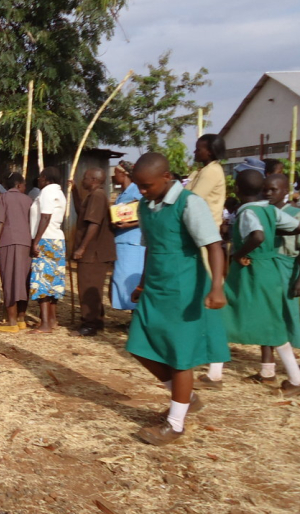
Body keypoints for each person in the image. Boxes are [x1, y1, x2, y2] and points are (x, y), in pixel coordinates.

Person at [126, 153, 229, 445]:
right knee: (139, 345)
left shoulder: (189, 203)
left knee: (180, 356)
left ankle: (175, 424)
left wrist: (217, 287)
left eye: (147, 186)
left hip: (185, 288)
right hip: (157, 286)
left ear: (167, 177)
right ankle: (187, 397)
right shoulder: (145, 207)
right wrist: (143, 283)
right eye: (138, 186)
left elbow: (213, 246)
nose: (142, 191)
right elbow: (150, 247)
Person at [199, 170, 300, 395]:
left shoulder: (247, 211)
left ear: (236, 190)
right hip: (270, 269)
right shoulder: (270, 210)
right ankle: (216, 373)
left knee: (225, 315)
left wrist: (239, 254)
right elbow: (298, 228)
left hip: (251, 269)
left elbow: (257, 236)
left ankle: (296, 378)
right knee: (269, 322)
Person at [245, 174, 300, 385]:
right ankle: (267, 369)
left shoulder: (297, 214)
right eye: (265, 189)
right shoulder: (263, 212)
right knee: (267, 317)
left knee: (291, 318)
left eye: (274, 190)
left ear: (285, 191)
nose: (268, 193)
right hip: (266, 268)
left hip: (287, 268)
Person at [69, 167, 117, 336]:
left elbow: (94, 224)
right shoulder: (93, 196)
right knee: (91, 286)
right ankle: (96, 320)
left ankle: (90, 324)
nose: (83, 180)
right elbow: (81, 212)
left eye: (86, 177)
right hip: (92, 252)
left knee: (88, 286)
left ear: (94, 180)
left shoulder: (97, 196)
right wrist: (74, 191)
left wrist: (82, 248)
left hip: (94, 252)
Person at [0, 171, 33, 332]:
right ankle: (21, 318)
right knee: (23, 281)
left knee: (9, 281)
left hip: (7, 242)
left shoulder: (3, 198)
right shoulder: (28, 200)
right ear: (19, 185)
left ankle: (11, 321)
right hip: (26, 243)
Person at [27, 167, 67, 334]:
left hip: (46, 239)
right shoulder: (59, 192)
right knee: (53, 281)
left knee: (42, 280)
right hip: (56, 239)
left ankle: (45, 323)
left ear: (45, 178)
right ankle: (52, 319)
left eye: (40, 177)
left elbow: (45, 216)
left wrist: (36, 241)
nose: (38, 180)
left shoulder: (47, 192)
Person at [110, 161, 145, 313]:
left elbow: (143, 214)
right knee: (121, 277)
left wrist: (128, 226)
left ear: (124, 174)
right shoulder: (122, 195)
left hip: (133, 242)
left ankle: (136, 314)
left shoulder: (136, 191)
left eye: (116, 173)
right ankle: (132, 312)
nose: (114, 176)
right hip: (122, 240)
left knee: (131, 278)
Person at [185, 134, 227, 229]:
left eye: (198, 149)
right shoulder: (201, 171)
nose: (194, 152)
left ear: (210, 152)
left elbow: (192, 200)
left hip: (205, 229)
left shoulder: (212, 171)